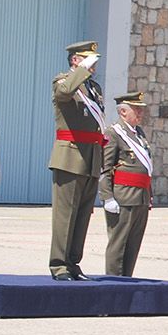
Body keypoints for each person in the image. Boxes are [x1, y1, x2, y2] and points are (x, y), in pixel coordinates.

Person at [48, 39, 105, 280]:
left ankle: (73, 263)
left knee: (82, 216)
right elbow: (65, 93)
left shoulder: (94, 89)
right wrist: (81, 71)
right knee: (65, 215)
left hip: (90, 157)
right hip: (70, 156)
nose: (93, 66)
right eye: (87, 60)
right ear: (75, 60)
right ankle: (59, 265)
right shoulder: (63, 81)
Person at [99, 91, 153, 278]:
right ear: (123, 112)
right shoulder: (113, 133)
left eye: (141, 110)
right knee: (118, 245)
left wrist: (149, 194)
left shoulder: (139, 134)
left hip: (140, 197)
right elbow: (105, 168)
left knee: (133, 244)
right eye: (136, 110)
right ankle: (114, 283)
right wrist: (107, 198)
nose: (140, 114)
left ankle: (126, 282)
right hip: (123, 197)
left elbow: (146, 166)